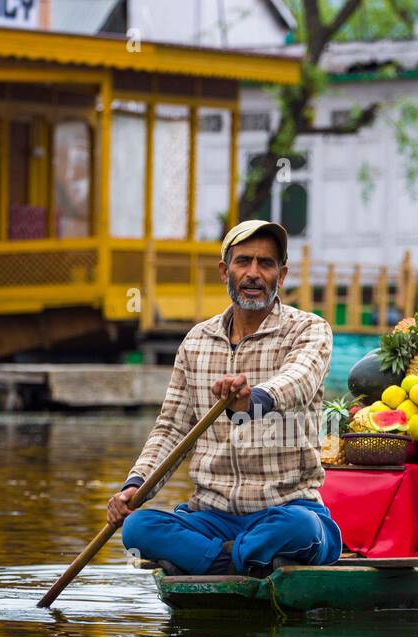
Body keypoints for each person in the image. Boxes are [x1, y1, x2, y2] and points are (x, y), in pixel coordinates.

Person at [108, 219, 342, 576]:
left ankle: (210, 560)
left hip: (285, 509)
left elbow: (300, 380)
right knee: (138, 528)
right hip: (211, 516)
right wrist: (135, 485)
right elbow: (171, 428)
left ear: (281, 276)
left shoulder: (308, 329)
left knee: (301, 530)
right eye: (243, 262)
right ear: (225, 271)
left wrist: (255, 400)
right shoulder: (196, 342)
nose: (253, 273)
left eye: (265, 264)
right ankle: (238, 560)